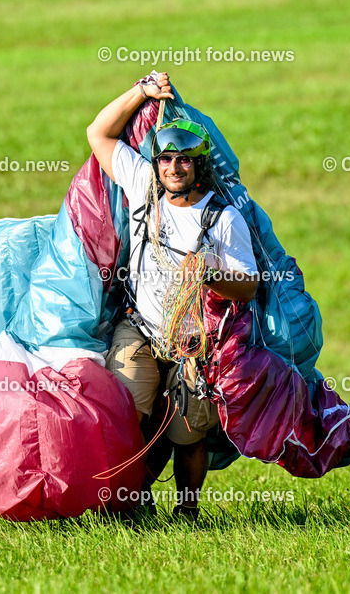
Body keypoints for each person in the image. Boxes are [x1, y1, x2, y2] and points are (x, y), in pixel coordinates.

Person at [86, 72, 259, 519]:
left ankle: (187, 514)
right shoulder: (143, 187)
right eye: (165, 160)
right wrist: (141, 91)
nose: (173, 168)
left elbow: (250, 283)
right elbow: (98, 133)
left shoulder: (222, 220)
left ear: (199, 165)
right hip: (140, 330)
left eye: (183, 161)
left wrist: (209, 275)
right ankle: (126, 503)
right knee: (127, 411)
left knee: (188, 433)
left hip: (196, 343)